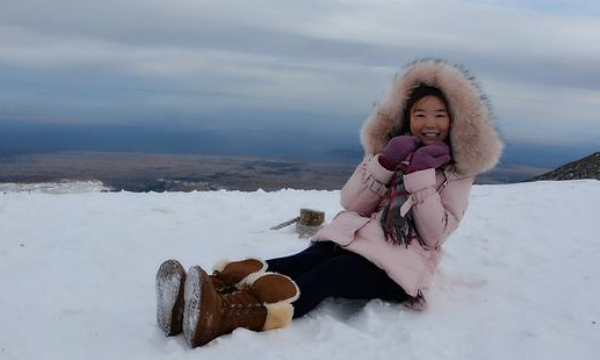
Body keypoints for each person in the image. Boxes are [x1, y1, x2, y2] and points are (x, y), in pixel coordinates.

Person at [155, 59, 504, 348]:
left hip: (399, 267)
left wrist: (421, 176)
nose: (430, 123)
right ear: (406, 117)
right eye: (420, 114)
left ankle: (226, 315)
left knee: (328, 277)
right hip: (354, 241)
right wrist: (382, 164)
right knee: (298, 262)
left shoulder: (456, 172)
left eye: (440, 114)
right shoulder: (390, 151)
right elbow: (352, 202)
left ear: (456, 121)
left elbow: (435, 235)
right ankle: (203, 293)